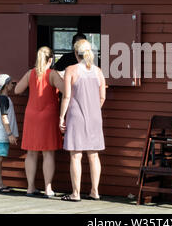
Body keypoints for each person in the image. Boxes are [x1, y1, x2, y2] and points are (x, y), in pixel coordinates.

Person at [59, 39, 106, 201]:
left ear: (75, 53)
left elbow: (66, 96)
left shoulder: (71, 70)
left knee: (76, 155)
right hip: (94, 117)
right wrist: (93, 109)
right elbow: (102, 97)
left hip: (76, 116)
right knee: (93, 155)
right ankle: (95, 191)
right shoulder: (98, 71)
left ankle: (76, 193)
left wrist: (61, 117)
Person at [15, 46, 64, 198]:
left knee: (31, 152)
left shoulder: (30, 73)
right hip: (48, 115)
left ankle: (30, 188)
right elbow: (66, 90)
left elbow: (17, 90)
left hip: (31, 115)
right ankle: (48, 189)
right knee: (48, 152)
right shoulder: (53, 74)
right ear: (51, 60)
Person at [0, 74, 19, 193]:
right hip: (2, 134)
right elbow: (4, 116)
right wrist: (9, 133)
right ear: (5, 86)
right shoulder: (3, 98)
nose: (12, 85)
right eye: (11, 83)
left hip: (2, 133)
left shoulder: (4, 98)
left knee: (0, 158)